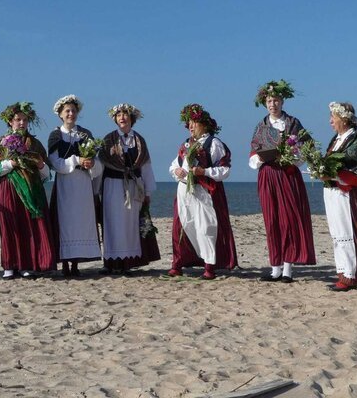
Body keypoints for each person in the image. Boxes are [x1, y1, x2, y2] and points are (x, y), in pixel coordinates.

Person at [249, 80, 315, 283]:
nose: (272, 104)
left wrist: (291, 158)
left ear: (282, 101)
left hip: (287, 175)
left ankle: (288, 268)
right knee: (272, 220)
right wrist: (260, 158)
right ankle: (275, 268)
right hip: (268, 175)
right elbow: (253, 153)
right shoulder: (261, 126)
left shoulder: (293, 123)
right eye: (269, 101)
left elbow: (306, 149)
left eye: (276, 100)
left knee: (288, 220)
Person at [168, 104, 237, 279]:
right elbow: (175, 164)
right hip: (184, 191)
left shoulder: (214, 143)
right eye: (189, 123)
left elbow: (225, 170)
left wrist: (204, 172)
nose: (191, 126)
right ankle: (178, 263)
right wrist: (177, 171)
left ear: (204, 125)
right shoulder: (186, 144)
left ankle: (209, 266)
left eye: (195, 122)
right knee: (181, 226)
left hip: (203, 192)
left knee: (205, 227)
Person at [0, 101, 55, 279]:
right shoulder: (1, 143)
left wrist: (41, 165)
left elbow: (46, 173)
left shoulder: (35, 144)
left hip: (32, 190)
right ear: (10, 121)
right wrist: (10, 163)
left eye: (25, 120)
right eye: (17, 119)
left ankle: (26, 264)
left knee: (28, 227)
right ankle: (9, 266)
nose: (21, 123)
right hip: (8, 189)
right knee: (10, 227)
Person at [321, 102, 357, 291]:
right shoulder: (337, 138)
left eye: (333, 117)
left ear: (344, 118)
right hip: (333, 191)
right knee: (337, 232)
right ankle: (343, 271)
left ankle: (351, 274)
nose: (330, 121)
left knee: (348, 231)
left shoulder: (356, 138)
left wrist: (335, 174)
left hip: (348, 192)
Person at [98, 103, 160, 275]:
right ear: (115, 119)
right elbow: (101, 165)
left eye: (125, 115)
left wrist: (147, 192)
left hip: (134, 186)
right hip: (112, 185)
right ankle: (111, 263)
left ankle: (127, 263)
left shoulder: (139, 140)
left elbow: (146, 166)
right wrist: (96, 190)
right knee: (112, 223)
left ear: (132, 119)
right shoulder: (108, 139)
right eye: (119, 115)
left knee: (130, 224)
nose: (122, 118)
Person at [47, 95, 102, 277]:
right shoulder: (56, 135)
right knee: (66, 221)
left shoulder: (85, 134)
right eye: (67, 111)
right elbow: (54, 162)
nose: (71, 114)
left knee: (81, 221)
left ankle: (77, 262)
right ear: (61, 114)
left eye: (73, 111)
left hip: (82, 184)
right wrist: (76, 160)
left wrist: (91, 163)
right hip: (65, 183)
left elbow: (96, 158)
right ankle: (65, 263)